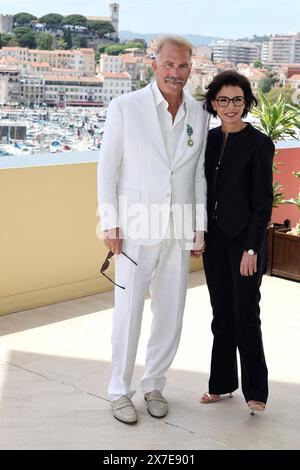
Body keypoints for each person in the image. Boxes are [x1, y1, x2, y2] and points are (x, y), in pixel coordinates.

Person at [97, 35, 209, 424]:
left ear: (190, 69)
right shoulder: (125, 107)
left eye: (182, 66)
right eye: (169, 65)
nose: (175, 73)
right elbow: (107, 168)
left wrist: (199, 228)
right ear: (154, 65)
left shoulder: (198, 113)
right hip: (133, 228)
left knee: (170, 312)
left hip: (177, 229)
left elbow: (196, 175)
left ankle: (154, 383)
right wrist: (109, 221)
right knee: (128, 312)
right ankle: (119, 391)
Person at [200, 70, 275, 414]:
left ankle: (256, 391)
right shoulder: (208, 139)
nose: (231, 107)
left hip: (245, 243)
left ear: (246, 102)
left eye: (238, 100)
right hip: (214, 242)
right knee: (221, 315)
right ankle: (221, 384)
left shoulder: (260, 143)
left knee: (247, 313)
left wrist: (251, 249)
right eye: (223, 100)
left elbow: (263, 204)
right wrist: (197, 233)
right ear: (213, 103)